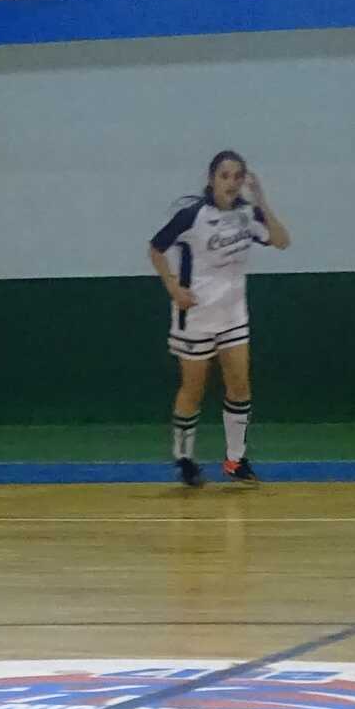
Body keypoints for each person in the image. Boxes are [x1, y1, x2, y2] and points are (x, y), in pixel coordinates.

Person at [151, 151, 289, 487]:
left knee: (240, 385)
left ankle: (235, 460)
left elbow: (282, 241)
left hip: (233, 314)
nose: (231, 182)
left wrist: (262, 201)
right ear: (212, 179)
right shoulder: (192, 216)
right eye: (225, 175)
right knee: (193, 388)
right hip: (196, 315)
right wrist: (173, 287)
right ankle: (184, 459)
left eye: (237, 176)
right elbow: (156, 249)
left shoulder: (248, 214)